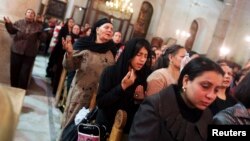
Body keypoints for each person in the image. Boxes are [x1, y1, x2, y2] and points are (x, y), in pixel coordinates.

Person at [129, 57, 224, 141]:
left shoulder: (207, 115)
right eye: (205, 86)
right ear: (186, 81)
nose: (211, 96)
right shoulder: (156, 105)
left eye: (216, 90)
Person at [61, 18, 115, 128]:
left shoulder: (112, 51)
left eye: (111, 29)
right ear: (97, 30)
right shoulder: (84, 45)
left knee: (87, 133)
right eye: (106, 27)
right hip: (80, 95)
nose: (110, 30)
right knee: (70, 128)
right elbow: (69, 66)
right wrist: (69, 54)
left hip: (98, 100)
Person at [95, 38, 152, 138]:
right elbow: (101, 102)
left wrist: (140, 100)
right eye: (139, 54)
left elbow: (137, 111)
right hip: (105, 127)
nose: (142, 59)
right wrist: (122, 87)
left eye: (145, 56)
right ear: (129, 54)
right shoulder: (111, 72)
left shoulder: (143, 77)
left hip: (126, 131)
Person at [3, 9, 45, 89]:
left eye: (32, 13)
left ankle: (21, 91)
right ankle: (13, 89)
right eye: (28, 12)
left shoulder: (38, 26)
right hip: (16, 51)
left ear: (34, 16)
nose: (30, 14)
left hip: (30, 53)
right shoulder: (19, 22)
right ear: (25, 14)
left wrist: (41, 25)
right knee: (14, 71)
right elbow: (11, 31)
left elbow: (43, 38)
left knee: (24, 74)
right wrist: (8, 24)